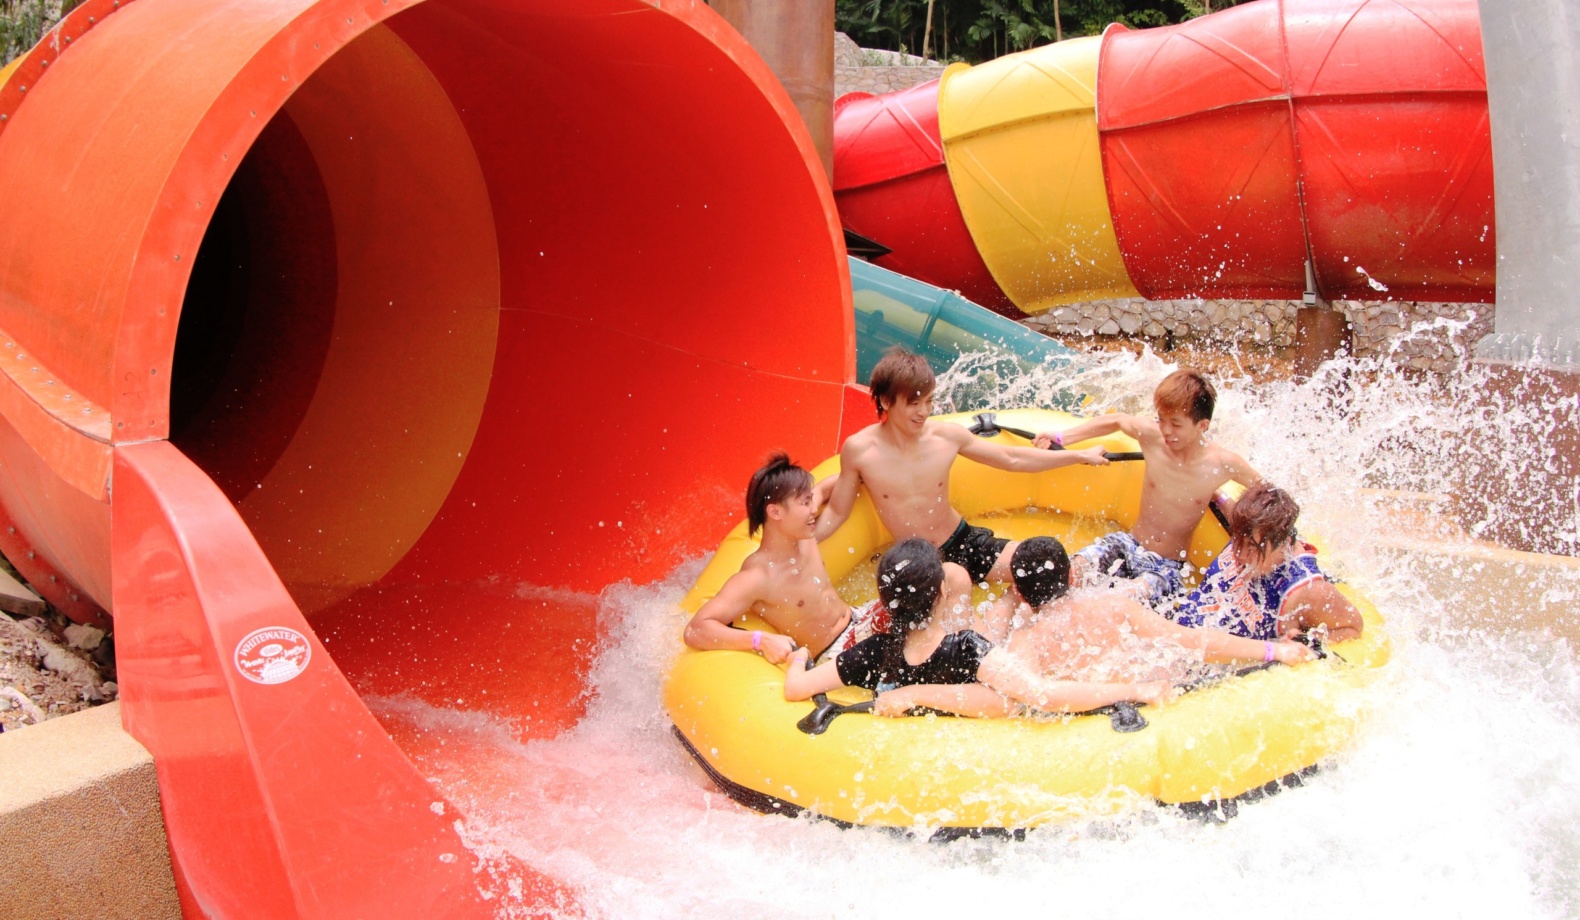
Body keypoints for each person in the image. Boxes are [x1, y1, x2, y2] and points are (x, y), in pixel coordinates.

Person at [815, 347, 1107, 587]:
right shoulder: (860, 450)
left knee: (1045, 567)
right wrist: (800, 537)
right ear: (886, 401)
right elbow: (839, 511)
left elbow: (1012, 459)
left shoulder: (946, 437)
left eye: (929, 401)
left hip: (960, 542)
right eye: (914, 403)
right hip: (915, 561)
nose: (924, 412)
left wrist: (1078, 456)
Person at [783, 539, 1160, 718]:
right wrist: (1135, 689)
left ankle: (1015, 598)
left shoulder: (872, 653)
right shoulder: (966, 649)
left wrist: (800, 656)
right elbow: (1036, 696)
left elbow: (796, 687)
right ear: (942, 593)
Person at [684, 454, 970, 666]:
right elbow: (696, 629)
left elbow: (830, 486)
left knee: (952, 575)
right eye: (804, 503)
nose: (813, 510)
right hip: (839, 651)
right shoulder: (757, 577)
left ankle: (967, 645)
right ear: (775, 512)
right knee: (928, 602)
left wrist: (885, 469)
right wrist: (760, 640)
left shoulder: (804, 537)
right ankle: (958, 657)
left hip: (859, 618)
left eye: (810, 501)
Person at [974, 537, 1315, 711]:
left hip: (1101, 712)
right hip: (1157, 693)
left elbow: (1040, 696)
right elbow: (1192, 640)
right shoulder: (1114, 606)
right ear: (1072, 574)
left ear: (1018, 590)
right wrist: (1275, 650)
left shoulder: (1025, 641)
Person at [1033, 368, 1259, 607]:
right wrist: (1060, 437)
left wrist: (1225, 501)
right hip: (1128, 544)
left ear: (1202, 425)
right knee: (1064, 572)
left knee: (1118, 603)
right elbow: (1117, 420)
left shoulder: (1221, 464)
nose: (1166, 430)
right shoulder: (1153, 438)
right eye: (1161, 419)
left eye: (1176, 424)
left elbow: (1268, 493)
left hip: (1167, 568)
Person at [1169, 482, 1364, 644]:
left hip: (1208, 664)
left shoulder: (1307, 590)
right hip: (1175, 631)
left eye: (1253, 548)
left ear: (1284, 543)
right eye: (1237, 541)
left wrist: (1307, 639)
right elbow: (1220, 498)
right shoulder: (1249, 528)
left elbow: (1353, 627)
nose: (1241, 555)